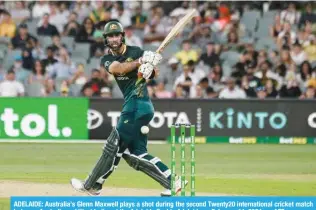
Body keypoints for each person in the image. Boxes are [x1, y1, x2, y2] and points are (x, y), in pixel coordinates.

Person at [70, 20, 187, 196]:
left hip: (137, 104)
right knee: (135, 155)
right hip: (137, 106)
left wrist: (150, 69)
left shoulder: (135, 51)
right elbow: (119, 69)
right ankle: (173, 182)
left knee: (113, 144)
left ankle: (91, 185)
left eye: (117, 35)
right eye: (111, 36)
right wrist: (141, 62)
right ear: (106, 39)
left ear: (122, 36)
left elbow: (154, 73)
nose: (114, 39)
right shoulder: (108, 59)